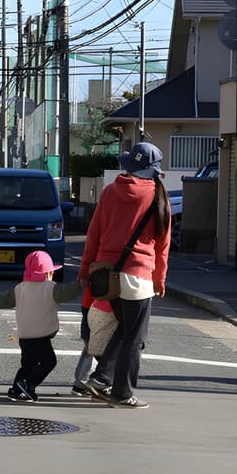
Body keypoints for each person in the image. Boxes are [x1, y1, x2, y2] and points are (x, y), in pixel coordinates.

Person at [78, 142, 171, 410]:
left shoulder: (109, 192)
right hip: (138, 275)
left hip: (107, 275)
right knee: (135, 336)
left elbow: (93, 234)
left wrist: (85, 270)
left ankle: (101, 376)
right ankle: (122, 392)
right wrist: (159, 279)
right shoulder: (157, 196)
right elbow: (162, 244)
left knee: (124, 328)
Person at [0, 251, 83, 402]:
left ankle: (17, 389)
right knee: (49, 361)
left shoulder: (20, 288)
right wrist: (81, 283)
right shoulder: (52, 289)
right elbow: (69, 292)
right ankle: (28, 385)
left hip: (24, 335)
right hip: (41, 336)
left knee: (27, 364)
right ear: (49, 272)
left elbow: (3, 299)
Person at [70, 286, 113, 400]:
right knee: (96, 346)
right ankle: (91, 383)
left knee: (91, 345)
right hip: (103, 303)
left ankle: (81, 384)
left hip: (91, 302)